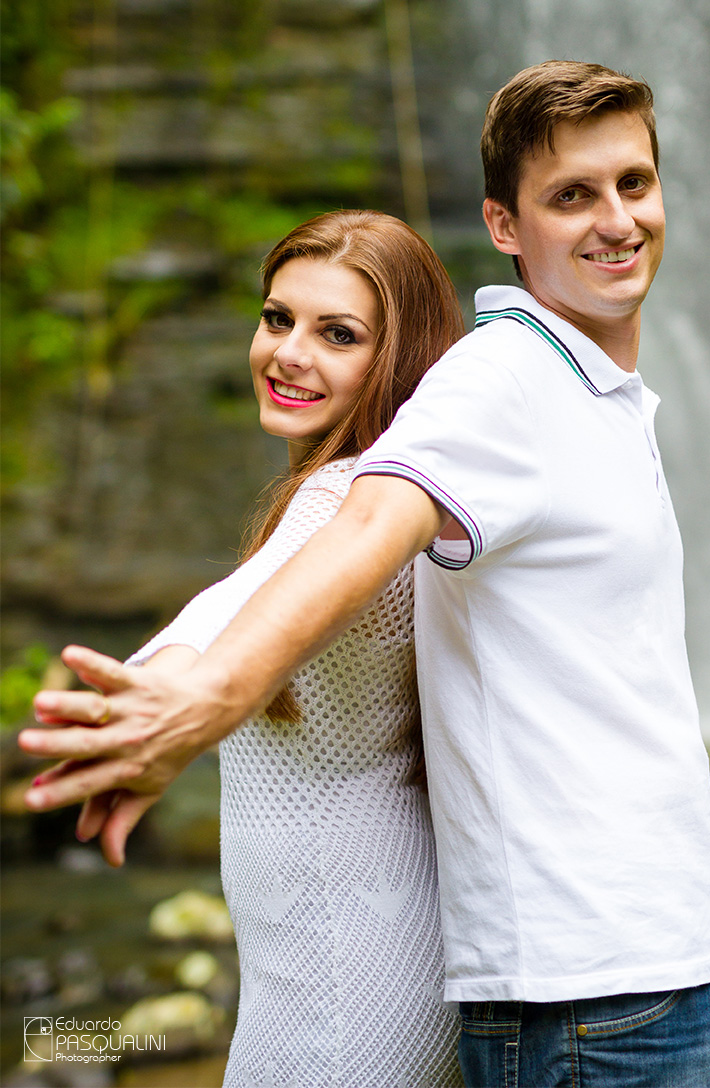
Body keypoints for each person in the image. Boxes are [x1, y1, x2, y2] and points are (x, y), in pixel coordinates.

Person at [23, 62, 710, 1088]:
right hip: (578, 982)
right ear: (503, 222)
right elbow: (332, 544)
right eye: (571, 195)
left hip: (633, 962)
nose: (615, 219)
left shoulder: (581, 395)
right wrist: (185, 694)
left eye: (633, 183)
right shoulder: (500, 382)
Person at [28, 209, 467, 1087]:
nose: (287, 353)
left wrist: (147, 702)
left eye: (336, 334)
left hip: (342, 974)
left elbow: (226, 617)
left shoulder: (349, 497)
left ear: (400, 358)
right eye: (276, 318)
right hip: (377, 950)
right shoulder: (400, 495)